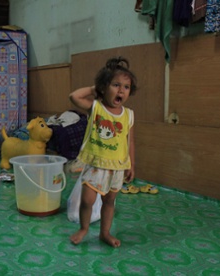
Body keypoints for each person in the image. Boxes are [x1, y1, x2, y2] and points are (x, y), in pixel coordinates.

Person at [69, 57, 137, 247]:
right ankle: (84, 229)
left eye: (126, 87)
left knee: (110, 202)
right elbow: (74, 96)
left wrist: (131, 164)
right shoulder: (96, 107)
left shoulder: (128, 115)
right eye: (115, 85)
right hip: (96, 164)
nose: (121, 90)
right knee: (87, 200)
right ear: (104, 87)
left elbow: (129, 141)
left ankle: (104, 233)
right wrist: (94, 89)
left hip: (117, 166)